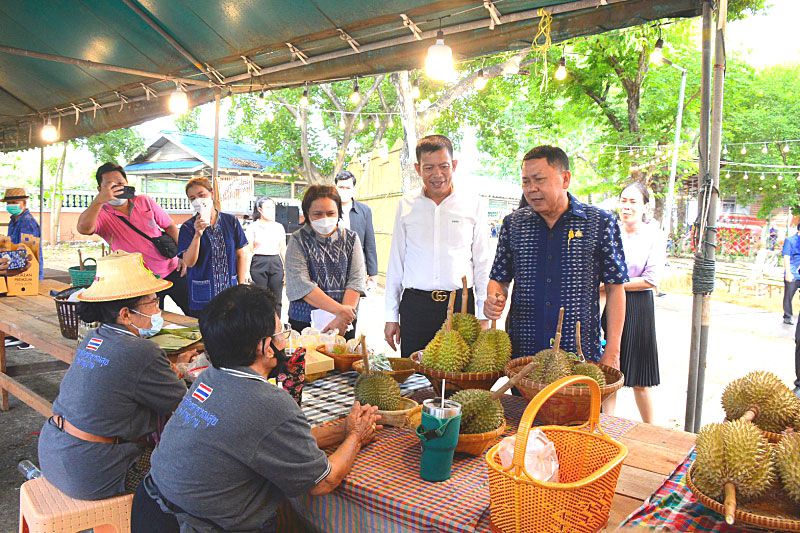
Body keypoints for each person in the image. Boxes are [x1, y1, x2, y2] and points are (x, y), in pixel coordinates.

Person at [131, 284, 381, 532]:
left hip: (150, 510)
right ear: (264, 347)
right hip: (195, 526)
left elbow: (275, 441)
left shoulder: (210, 378)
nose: (284, 339)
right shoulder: (269, 403)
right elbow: (323, 482)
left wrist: (345, 430)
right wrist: (357, 437)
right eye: (281, 332)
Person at [37, 251, 188, 500]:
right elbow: (182, 405)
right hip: (94, 471)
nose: (158, 307)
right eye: (152, 302)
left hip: (54, 452)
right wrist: (180, 373)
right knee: (192, 469)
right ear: (126, 314)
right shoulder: (141, 351)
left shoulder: (92, 338)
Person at [484, 145, 628, 368]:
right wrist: (494, 299)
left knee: (579, 404)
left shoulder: (599, 222)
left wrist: (613, 351)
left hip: (578, 351)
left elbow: (615, 288)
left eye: (539, 180)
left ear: (565, 179)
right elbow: (499, 278)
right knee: (523, 405)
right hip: (524, 350)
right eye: (526, 182)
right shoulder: (513, 224)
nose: (531, 189)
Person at [384, 135, 491, 357]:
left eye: (444, 166)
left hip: (462, 308)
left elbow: (482, 262)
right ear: (417, 168)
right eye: (429, 168)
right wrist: (391, 316)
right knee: (415, 381)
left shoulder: (473, 204)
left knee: (459, 383)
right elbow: (396, 262)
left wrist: (482, 315)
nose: (437, 175)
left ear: (454, 165)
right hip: (416, 307)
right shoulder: (406, 205)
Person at [77, 163, 190, 314]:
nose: (116, 188)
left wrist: (183, 255)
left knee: (196, 313)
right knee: (150, 323)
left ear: (127, 183)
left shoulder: (144, 201)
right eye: (109, 186)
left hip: (173, 269)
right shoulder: (100, 213)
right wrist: (98, 201)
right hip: (140, 283)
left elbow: (170, 226)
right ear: (100, 189)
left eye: (120, 184)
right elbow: (83, 229)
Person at [601, 183, 665, 423]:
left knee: (640, 380)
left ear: (645, 206)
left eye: (633, 202)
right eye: (624, 200)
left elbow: (650, 279)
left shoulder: (653, 235)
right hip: (607, 304)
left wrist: (613, 284)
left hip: (638, 307)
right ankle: (607, 427)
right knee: (609, 374)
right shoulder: (610, 230)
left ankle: (652, 430)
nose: (626, 207)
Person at [285, 185, 365, 339]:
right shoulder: (297, 240)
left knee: (343, 362)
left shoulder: (351, 238)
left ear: (339, 212)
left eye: (330, 213)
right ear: (307, 214)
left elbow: (356, 281)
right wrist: (340, 312)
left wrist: (342, 319)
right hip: (305, 322)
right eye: (317, 214)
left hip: (345, 322)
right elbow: (301, 284)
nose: (324, 219)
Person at [178, 177, 249, 317]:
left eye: (201, 195)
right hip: (202, 296)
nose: (198, 200)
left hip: (230, 292)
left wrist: (241, 286)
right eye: (192, 198)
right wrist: (197, 234)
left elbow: (241, 255)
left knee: (229, 332)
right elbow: (189, 262)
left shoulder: (231, 221)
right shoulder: (187, 227)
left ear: (212, 193)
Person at [334, 171, 378, 288]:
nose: (344, 191)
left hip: (356, 267)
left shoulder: (364, 211)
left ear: (353, 189)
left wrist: (372, 273)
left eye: (348, 187)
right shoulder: (327, 210)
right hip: (331, 267)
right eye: (341, 187)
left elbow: (370, 243)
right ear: (335, 188)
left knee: (352, 304)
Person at [246, 197, 286, 316]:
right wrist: (246, 272)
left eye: (273, 207)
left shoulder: (279, 227)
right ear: (260, 210)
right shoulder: (252, 227)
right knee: (259, 299)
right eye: (268, 207)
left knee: (277, 298)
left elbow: (283, 249)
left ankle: (276, 327)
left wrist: (287, 270)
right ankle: (260, 327)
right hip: (258, 262)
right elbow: (248, 250)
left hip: (275, 261)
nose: (271, 210)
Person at [3, 187, 43, 279]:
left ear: (24, 203)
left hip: (27, 273)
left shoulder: (27, 222)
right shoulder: (13, 220)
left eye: (14, 203)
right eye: (8, 203)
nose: (11, 205)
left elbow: (27, 252)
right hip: (15, 268)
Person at [782, 224, 800, 325]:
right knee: (788, 296)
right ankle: (787, 316)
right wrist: (788, 273)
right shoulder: (790, 240)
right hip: (793, 272)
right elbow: (786, 256)